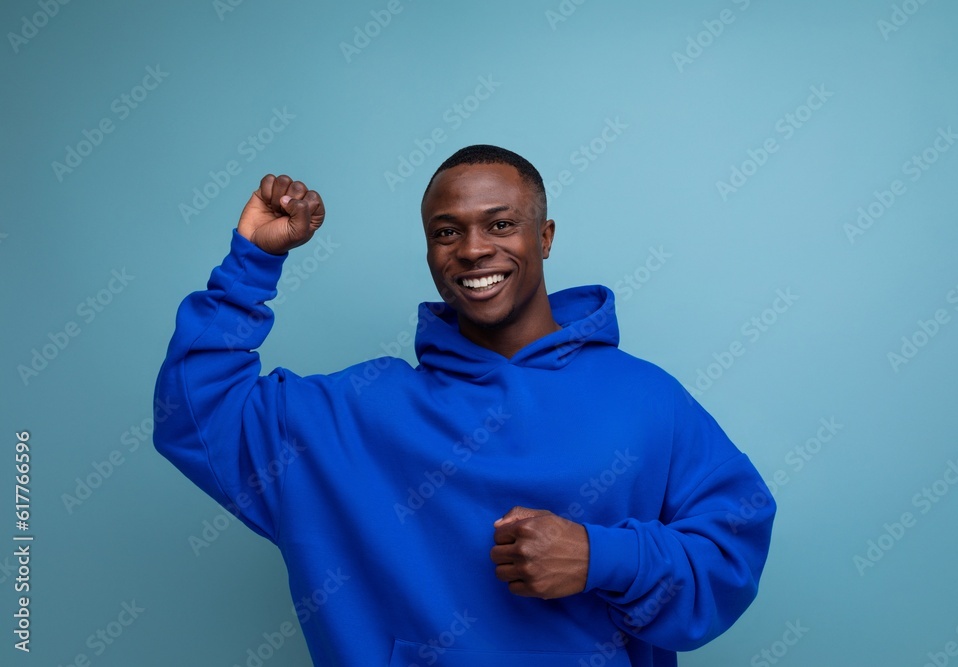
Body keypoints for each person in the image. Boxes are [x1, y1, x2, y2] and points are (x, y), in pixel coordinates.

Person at [153, 144, 776, 666]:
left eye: (500, 224)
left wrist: (601, 556)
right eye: (447, 232)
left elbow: (732, 551)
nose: (473, 249)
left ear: (546, 236)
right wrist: (253, 261)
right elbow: (195, 412)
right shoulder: (356, 414)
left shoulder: (646, 399)